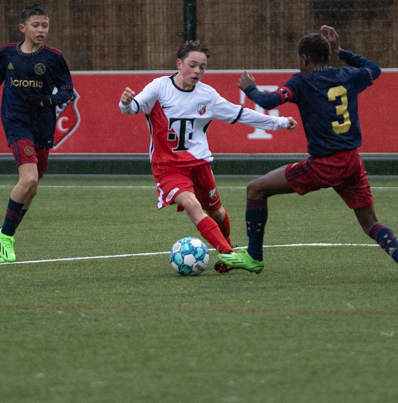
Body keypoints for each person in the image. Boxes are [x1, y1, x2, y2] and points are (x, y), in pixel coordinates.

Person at [221, 26, 398, 281]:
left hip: (325, 165)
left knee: (256, 189)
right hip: (352, 162)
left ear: (305, 59)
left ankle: (254, 257)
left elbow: (268, 101)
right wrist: (341, 51)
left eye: (299, 59)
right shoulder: (348, 75)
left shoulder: (302, 81)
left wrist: (249, 88)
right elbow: (374, 69)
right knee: (370, 223)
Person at [118, 40, 296, 264]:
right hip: (168, 166)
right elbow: (132, 107)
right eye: (192, 65)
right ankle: (229, 254)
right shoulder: (159, 88)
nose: (197, 71)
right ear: (179, 63)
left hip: (200, 165)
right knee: (191, 204)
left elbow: (240, 114)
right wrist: (125, 103)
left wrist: (280, 122)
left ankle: (227, 244)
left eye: (202, 67)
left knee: (217, 213)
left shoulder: (207, 95)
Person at [0, 5, 74, 263]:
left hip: (42, 125)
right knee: (29, 178)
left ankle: (3, 233)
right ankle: (6, 237)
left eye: (45, 25)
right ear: (23, 28)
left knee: (32, 187)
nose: (41, 30)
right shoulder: (7, 53)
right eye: (36, 25)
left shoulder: (54, 57)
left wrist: (46, 100)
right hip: (16, 121)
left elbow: (66, 91)